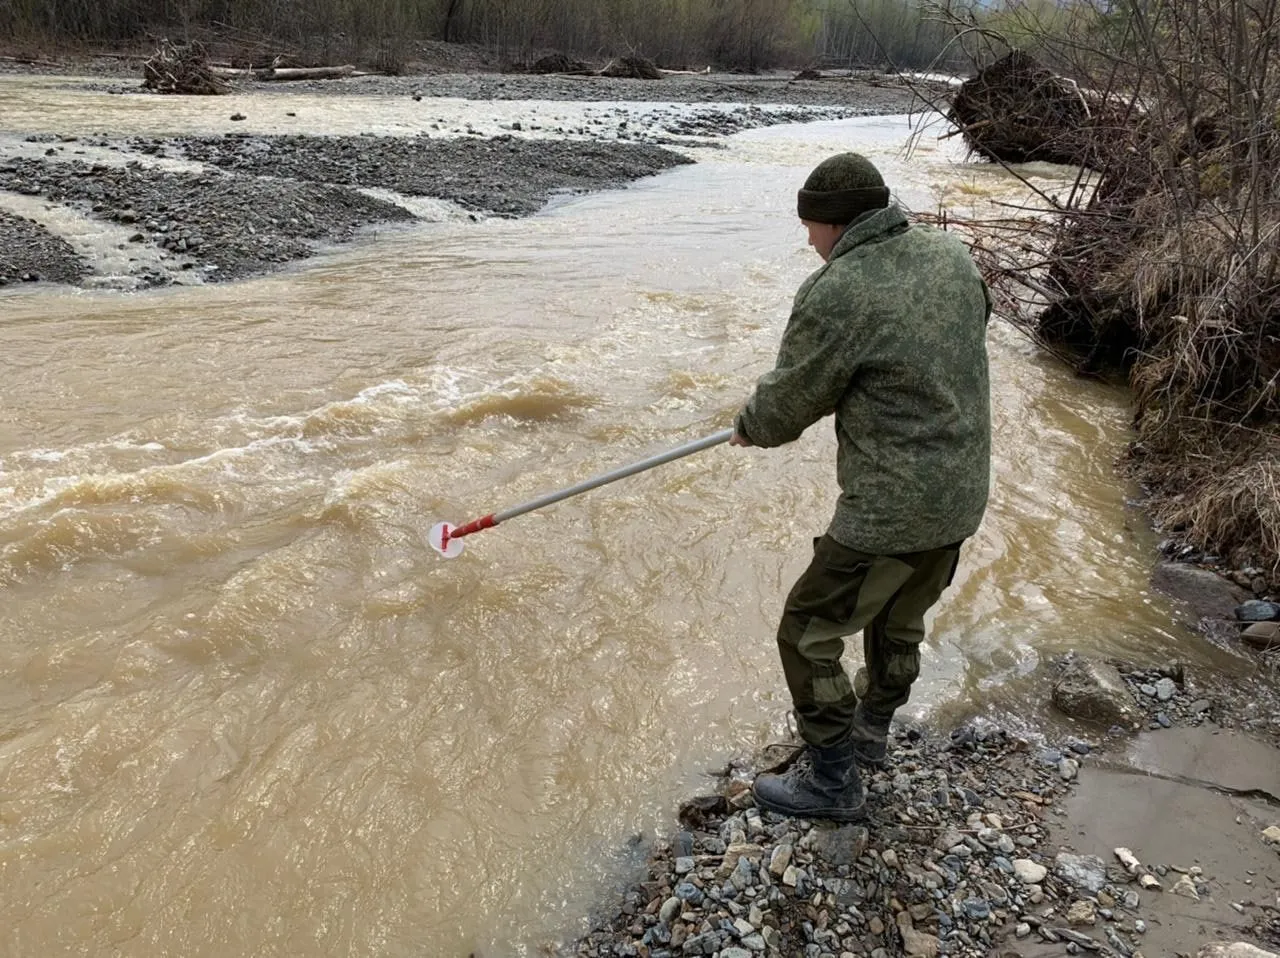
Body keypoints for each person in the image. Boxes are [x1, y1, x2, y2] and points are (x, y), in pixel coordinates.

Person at [730, 152, 992, 822]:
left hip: (890, 510)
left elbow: (787, 408)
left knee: (807, 632)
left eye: (812, 228)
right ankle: (872, 733)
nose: (809, 242)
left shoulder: (838, 289)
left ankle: (833, 781)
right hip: (962, 494)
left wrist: (749, 426)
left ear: (837, 224)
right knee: (899, 617)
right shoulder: (952, 258)